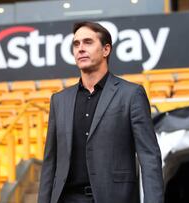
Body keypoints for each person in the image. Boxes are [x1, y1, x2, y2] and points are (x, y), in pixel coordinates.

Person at [37, 21, 164, 203]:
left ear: (106, 50)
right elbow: (50, 162)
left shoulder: (131, 94)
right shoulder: (59, 100)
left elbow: (149, 157)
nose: (80, 48)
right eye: (76, 44)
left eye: (88, 42)